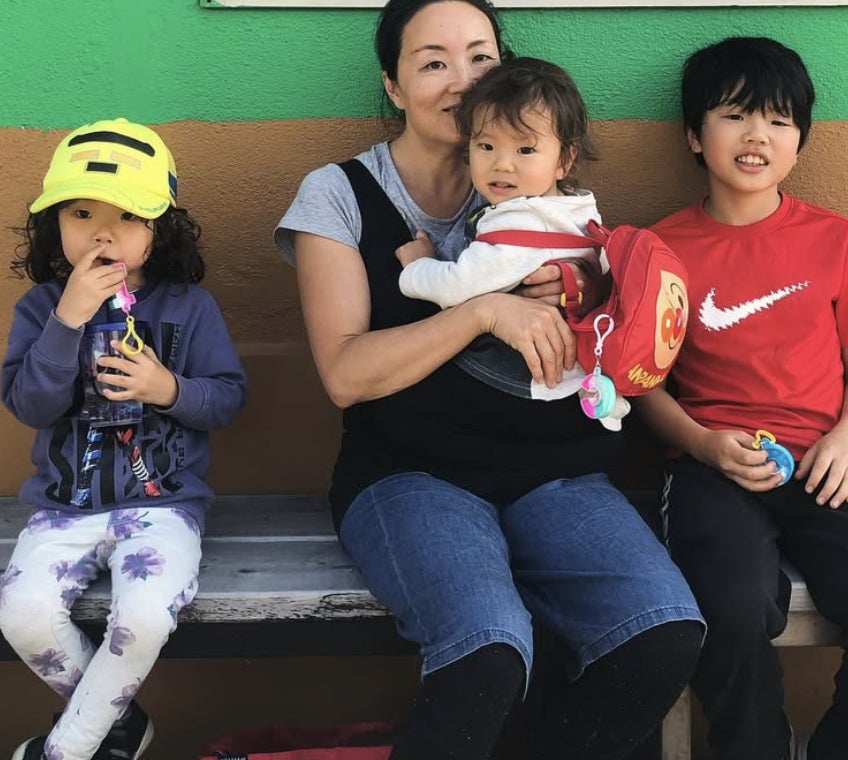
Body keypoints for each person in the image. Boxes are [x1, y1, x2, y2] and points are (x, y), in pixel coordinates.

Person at [274, 2, 704, 758]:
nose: (462, 80)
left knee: (660, 632)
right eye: (433, 62)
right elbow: (344, 374)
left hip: (557, 472)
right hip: (413, 475)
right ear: (394, 85)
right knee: (488, 650)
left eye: (480, 58)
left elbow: (611, 288)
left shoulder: (530, 172)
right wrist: (482, 313)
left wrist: (585, 288)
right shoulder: (339, 194)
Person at [0, 117, 247, 760]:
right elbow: (28, 403)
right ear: (53, 223)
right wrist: (67, 320)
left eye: (128, 216)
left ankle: (65, 751)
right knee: (21, 612)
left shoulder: (189, 306)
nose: (102, 233)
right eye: (81, 212)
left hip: (163, 503)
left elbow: (227, 398)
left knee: (140, 617)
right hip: (65, 505)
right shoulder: (41, 307)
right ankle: (120, 726)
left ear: (159, 228)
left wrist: (168, 388)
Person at [637, 37, 848, 760]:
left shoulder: (835, 240)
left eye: (779, 121)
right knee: (728, 606)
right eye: (735, 116)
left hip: (825, 465)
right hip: (712, 469)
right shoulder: (659, 250)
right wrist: (702, 444)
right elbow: (643, 387)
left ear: (800, 141)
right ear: (695, 135)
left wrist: (845, 437)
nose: (758, 135)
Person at [394, 56, 629, 428]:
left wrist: (417, 266)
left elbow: (458, 287)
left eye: (525, 150)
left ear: (564, 160)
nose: (502, 164)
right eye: (486, 146)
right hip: (578, 361)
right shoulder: (578, 211)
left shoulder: (522, 223)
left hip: (524, 378)